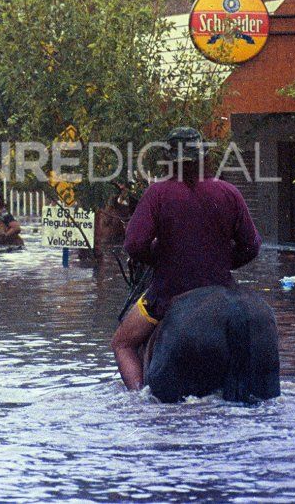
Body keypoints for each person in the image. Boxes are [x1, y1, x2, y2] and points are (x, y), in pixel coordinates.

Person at [111, 127, 261, 392]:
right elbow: (251, 246)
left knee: (122, 343)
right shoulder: (229, 192)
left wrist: (160, 258)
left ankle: (138, 399)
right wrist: (221, 261)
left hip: (168, 292)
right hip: (222, 289)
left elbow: (134, 244)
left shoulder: (157, 194)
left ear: (169, 160)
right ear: (204, 158)